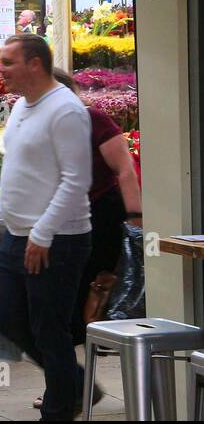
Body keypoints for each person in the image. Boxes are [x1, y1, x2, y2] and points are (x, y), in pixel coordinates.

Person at [0, 35, 93, 421]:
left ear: (35, 64)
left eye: (8, 62)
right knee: (9, 321)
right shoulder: (23, 107)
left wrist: (43, 234)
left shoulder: (66, 111)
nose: (1, 69)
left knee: (48, 330)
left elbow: (76, 180)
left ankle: (59, 411)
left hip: (57, 239)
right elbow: (21, 173)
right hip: (16, 234)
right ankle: (76, 384)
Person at [53, 70, 143, 340]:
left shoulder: (92, 119)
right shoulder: (46, 125)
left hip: (101, 210)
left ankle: (93, 330)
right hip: (64, 213)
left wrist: (135, 218)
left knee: (94, 277)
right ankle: (80, 334)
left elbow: (125, 169)